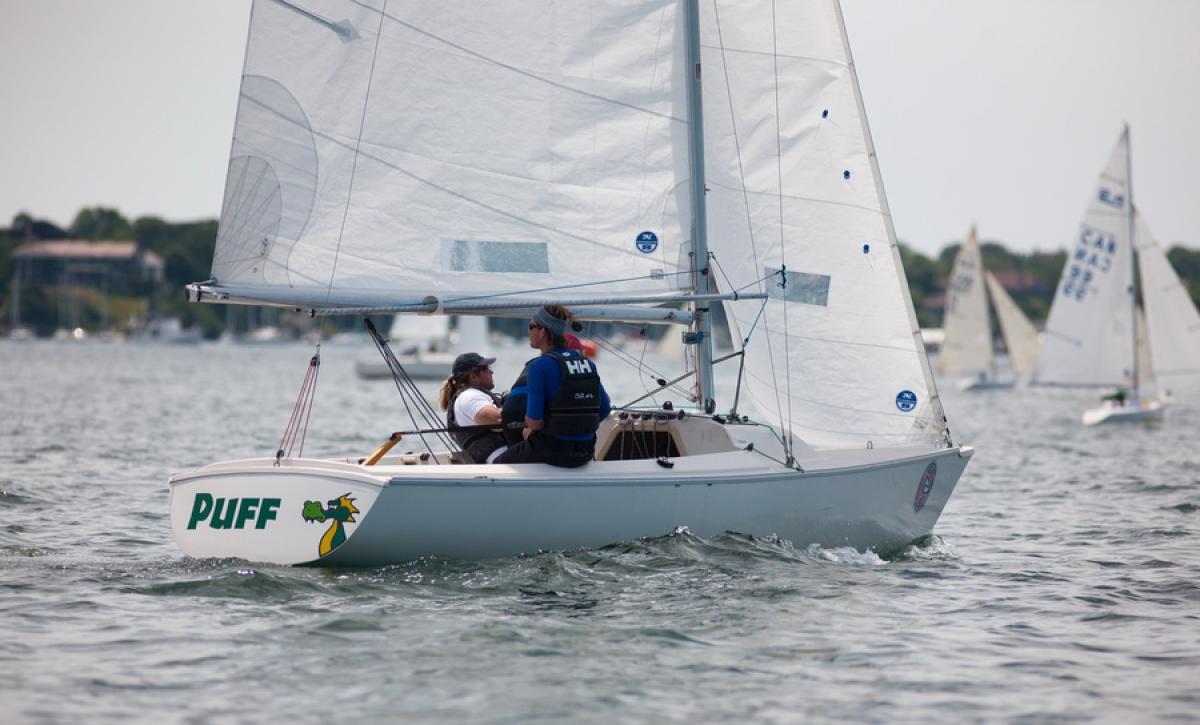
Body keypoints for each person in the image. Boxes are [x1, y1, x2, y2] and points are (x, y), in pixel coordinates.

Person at [495, 305, 610, 468]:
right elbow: (605, 409)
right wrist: (577, 428)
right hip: (585, 451)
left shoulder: (539, 366)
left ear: (543, 332)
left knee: (497, 464)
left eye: (531, 326)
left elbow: (535, 423)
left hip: (554, 450)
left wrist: (530, 429)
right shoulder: (588, 363)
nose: (529, 332)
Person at [438, 352, 507, 463]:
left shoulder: (470, 395)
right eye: (486, 368)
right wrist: (514, 403)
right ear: (473, 376)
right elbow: (497, 420)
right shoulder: (470, 396)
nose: (491, 371)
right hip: (499, 458)